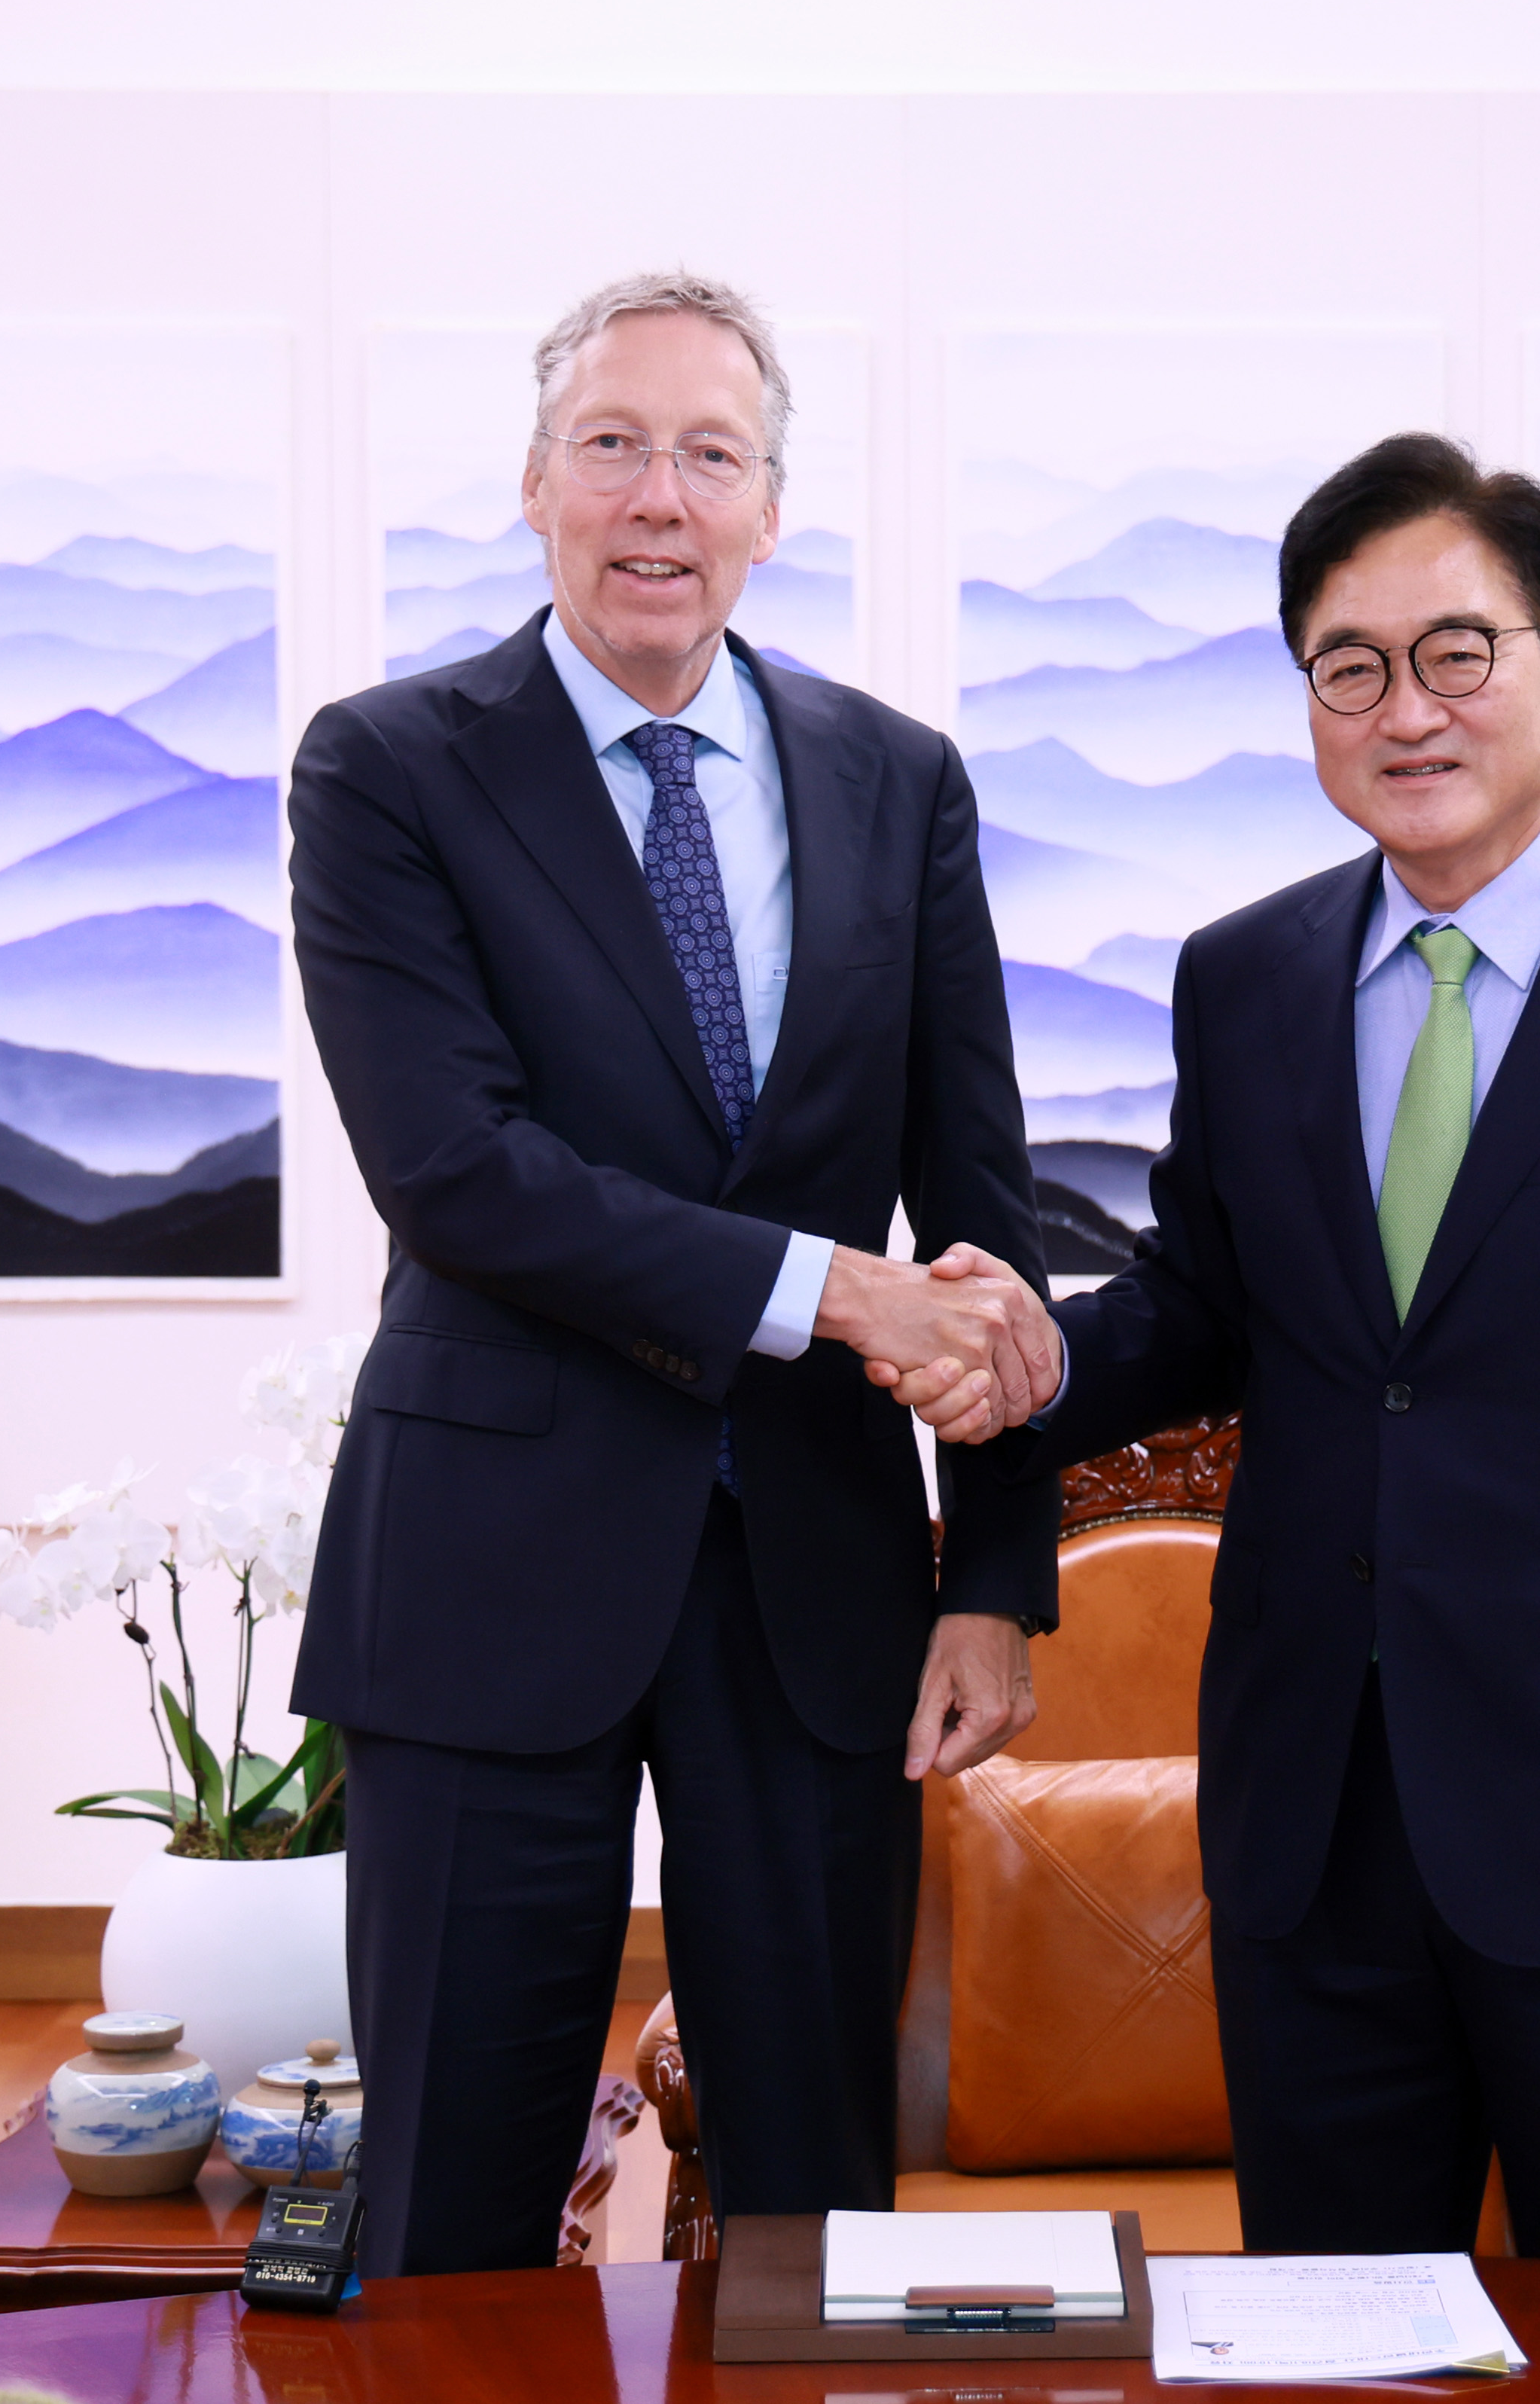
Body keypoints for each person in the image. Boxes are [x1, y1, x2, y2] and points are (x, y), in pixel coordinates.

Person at [911, 432, 1540, 2262]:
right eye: (1350, 665)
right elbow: (1212, 1309)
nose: (1408, 706)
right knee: (1332, 2332)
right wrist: (1014, 1358)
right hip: (1315, 1814)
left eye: (1459, 650)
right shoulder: (1251, 976)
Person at [288, 271, 1063, 2278]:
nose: (659, 496)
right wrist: (836, 1288)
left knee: (820, 2206)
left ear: (771, 507)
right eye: (613, 445)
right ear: (535, 483)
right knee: (453, 2197)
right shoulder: (385, 769)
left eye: (708, 454)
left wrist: (987, 1577)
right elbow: (458, 1171)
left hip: (813, 1586)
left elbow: (979, 1214)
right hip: (486, 1568)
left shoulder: (898, 783)